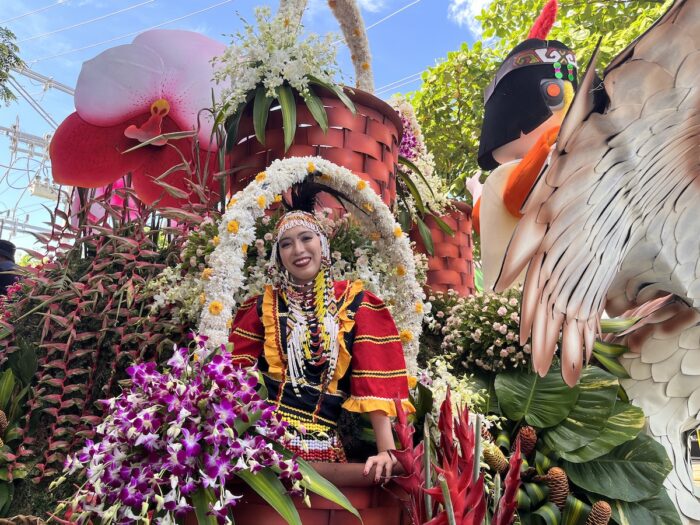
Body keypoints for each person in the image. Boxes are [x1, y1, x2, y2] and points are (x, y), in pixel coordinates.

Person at [229, 183, 414, 482]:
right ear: (278, 255)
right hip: (262, 446)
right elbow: (231, 379)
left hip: (323, 449)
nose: (298, 250)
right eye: (286, 244)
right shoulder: (261, 306)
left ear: (323, 243)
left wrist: (387, 450)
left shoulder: (356, 304)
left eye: (305, 238)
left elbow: (375, 381)